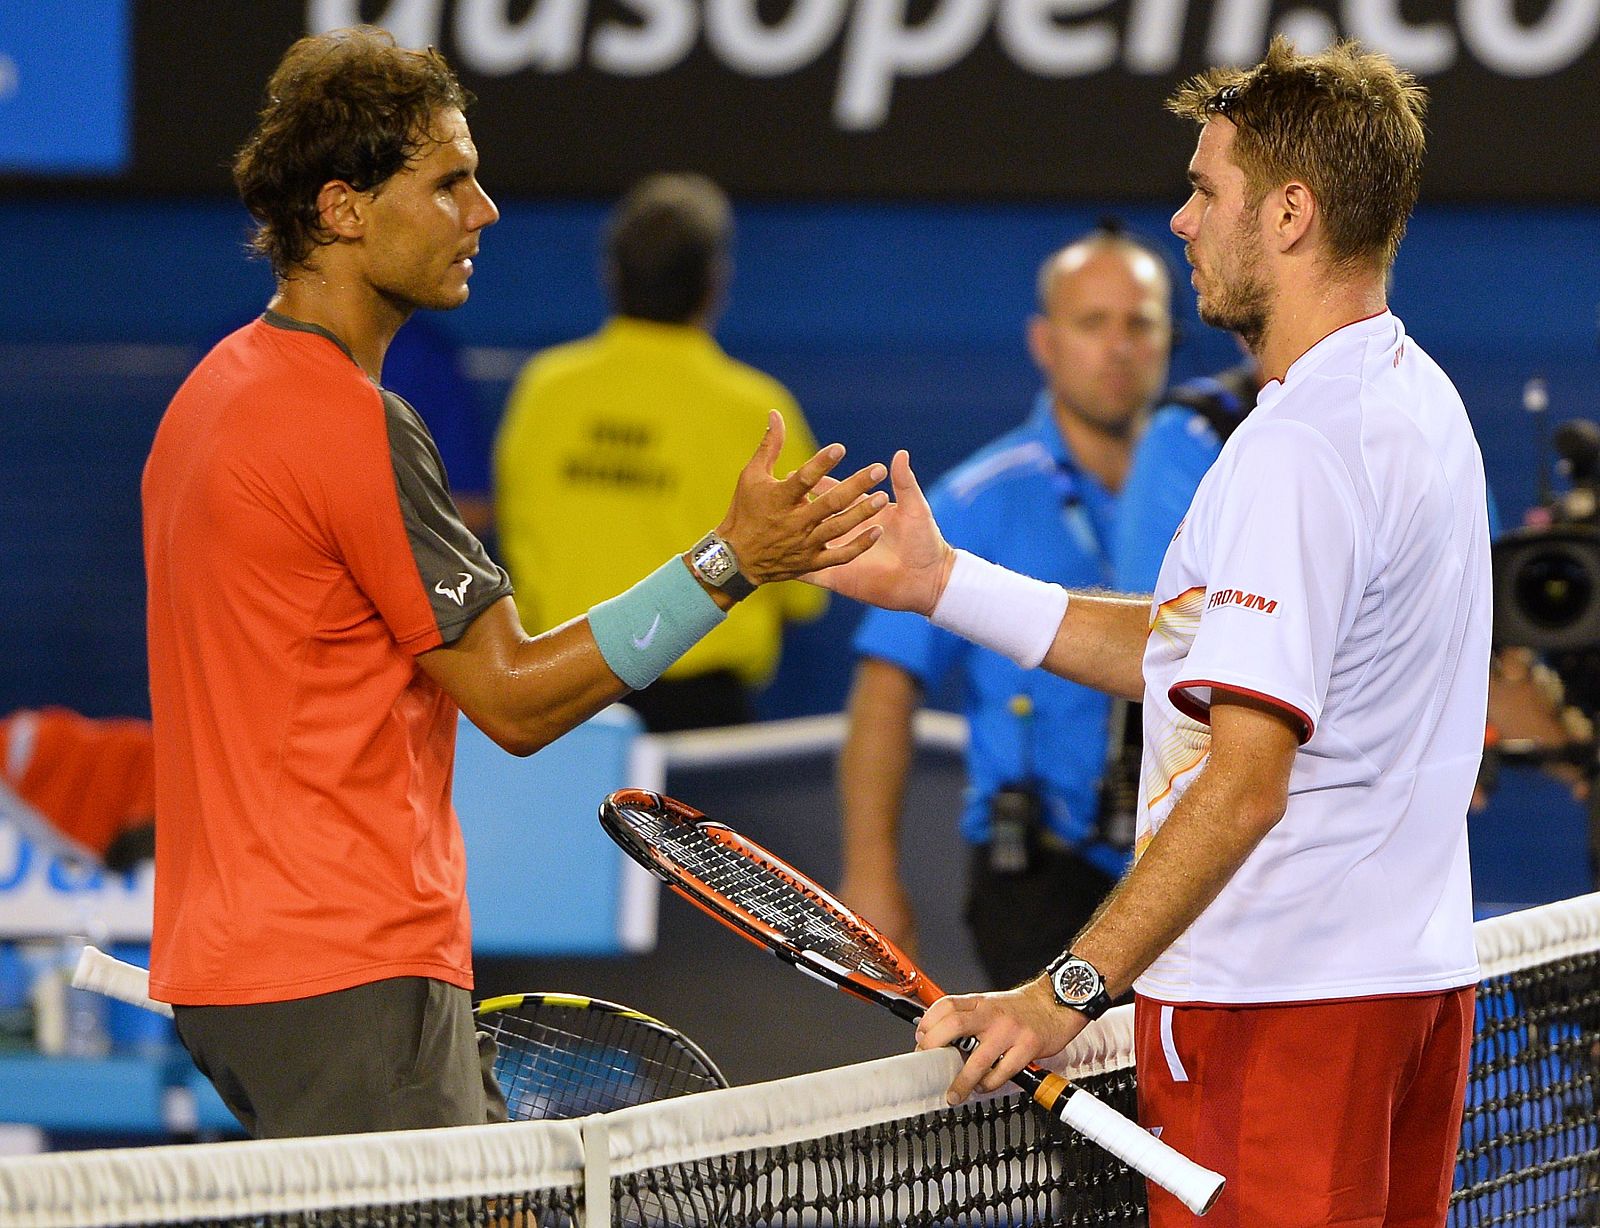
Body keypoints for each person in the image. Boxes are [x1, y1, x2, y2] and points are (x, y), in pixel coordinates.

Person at [141, 27, 886, 1140]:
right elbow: (517, 696)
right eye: (448, 183)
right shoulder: (349, 425)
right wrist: (730, 563)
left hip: (240, 964)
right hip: (343, 960)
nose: (484, 210)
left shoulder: (211, 395)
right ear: (342, 208)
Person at [810, 38, 1487, 1225]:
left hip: (1278, 1015)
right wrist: (943, 584)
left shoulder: (1297, 452)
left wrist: (1061, 993)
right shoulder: (1412, 399)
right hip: (1397, 993)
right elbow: (1191, 647)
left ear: (1288, 214)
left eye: (1204, 190)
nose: (1181, 222)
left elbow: (1241, 786)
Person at [835, 228, 1173, 989]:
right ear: (1044, 342)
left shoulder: (1210, 484)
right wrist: (870, 875)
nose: (1119, 346)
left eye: (1140, 322)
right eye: (1093, 323)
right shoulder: (974, 499)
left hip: (1189, 867)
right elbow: (887, 684)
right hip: (1039, 874)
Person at [494, 173, 828, 732]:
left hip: (564, 691)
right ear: (715, 281)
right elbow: (801, 587)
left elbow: (512, 534)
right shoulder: (758, 408)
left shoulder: (546, 388)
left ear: (612, 274)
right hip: (700, 708)